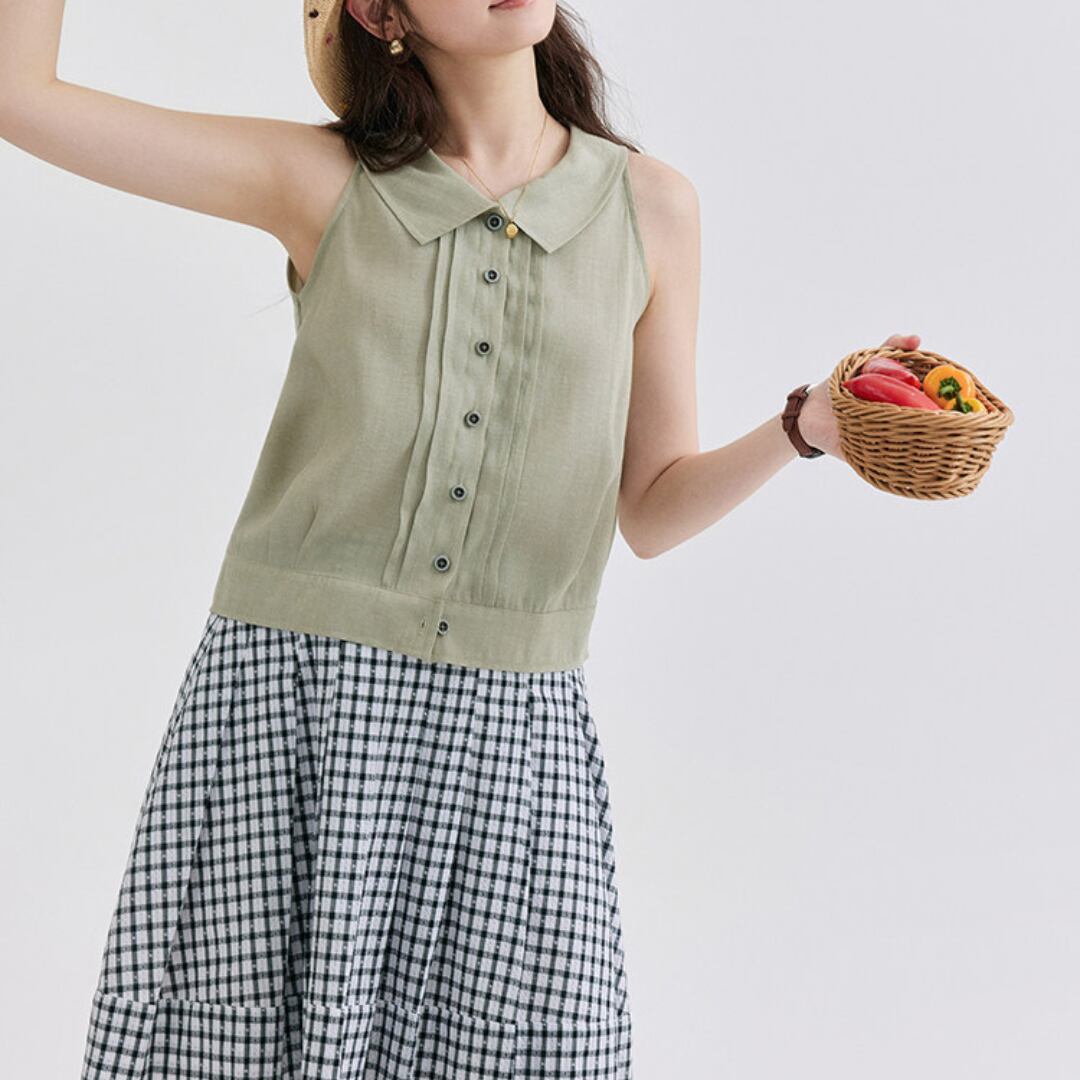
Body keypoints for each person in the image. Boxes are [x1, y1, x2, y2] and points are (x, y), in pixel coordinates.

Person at [1, 1, 919, 1076]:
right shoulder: (320, 181)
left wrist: (804, 428)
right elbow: (22, 98)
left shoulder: (652, 208)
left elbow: (652, 508)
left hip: (514, 735)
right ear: (380, 12)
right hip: (296, 712)